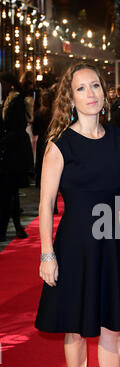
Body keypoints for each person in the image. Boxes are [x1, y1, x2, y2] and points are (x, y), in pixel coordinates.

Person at [35, 62, 120, 367]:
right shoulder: (60, 144)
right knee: (76, 331)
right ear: (71, 98)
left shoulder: (115, 137)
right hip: (75, 246)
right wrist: (47, 254)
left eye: (95, 85)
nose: (91, 93)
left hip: (110, 243)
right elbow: (46, 203)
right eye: (81, 88)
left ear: (104, 91)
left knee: (112, 328)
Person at [0, 72, 33, 242]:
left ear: (9, 84)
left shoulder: (16, 102)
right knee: (9, 192)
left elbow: (17, 129)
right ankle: (16, 227)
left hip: (14, 154)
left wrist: (3, 141)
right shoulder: (6, 101)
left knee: (8, 192)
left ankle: (8, 228)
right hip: (9, 152)